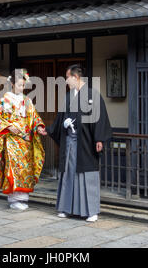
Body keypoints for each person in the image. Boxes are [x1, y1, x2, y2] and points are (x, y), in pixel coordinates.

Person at [47, 64, 112, 222]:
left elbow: (100, 118)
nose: (66, 81)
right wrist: (55, 127)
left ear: (75, 77)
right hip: (70, 142)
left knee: (87, 175)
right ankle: (66, 208)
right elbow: (61, 117)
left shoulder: (92, 95)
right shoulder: (69, 96)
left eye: (67, 78)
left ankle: (91, 211)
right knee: (68, 174)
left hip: (86, 142)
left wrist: (99, 139)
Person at [0, 68, 48, 211]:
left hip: (26, 141)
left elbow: (34, 117)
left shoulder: (27, 100)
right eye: (19, 85)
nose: (21, 88)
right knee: (14, 168)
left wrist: (38, 127)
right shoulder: (4, 100)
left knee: (26, 169)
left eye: (23, 85)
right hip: (12, 140)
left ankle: (22, 197)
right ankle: (14, 199)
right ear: (12, 84)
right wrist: (9, 127)